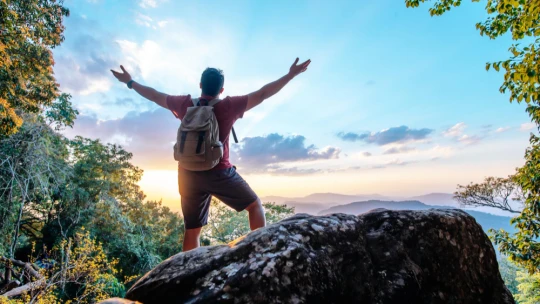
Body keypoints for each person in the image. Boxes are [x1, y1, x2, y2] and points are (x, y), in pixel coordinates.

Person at [111, 57, 311, 251]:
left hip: (187, 174)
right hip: (220, 172)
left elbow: (154, 95)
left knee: (192, 230)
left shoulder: (185, 104)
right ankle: (261, 253)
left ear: (200, 85)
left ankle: (187, 273)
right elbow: (262, 94)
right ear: (221, 90)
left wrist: (130, 82)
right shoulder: (228, 106)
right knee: (255, 206)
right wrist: (290, 75)